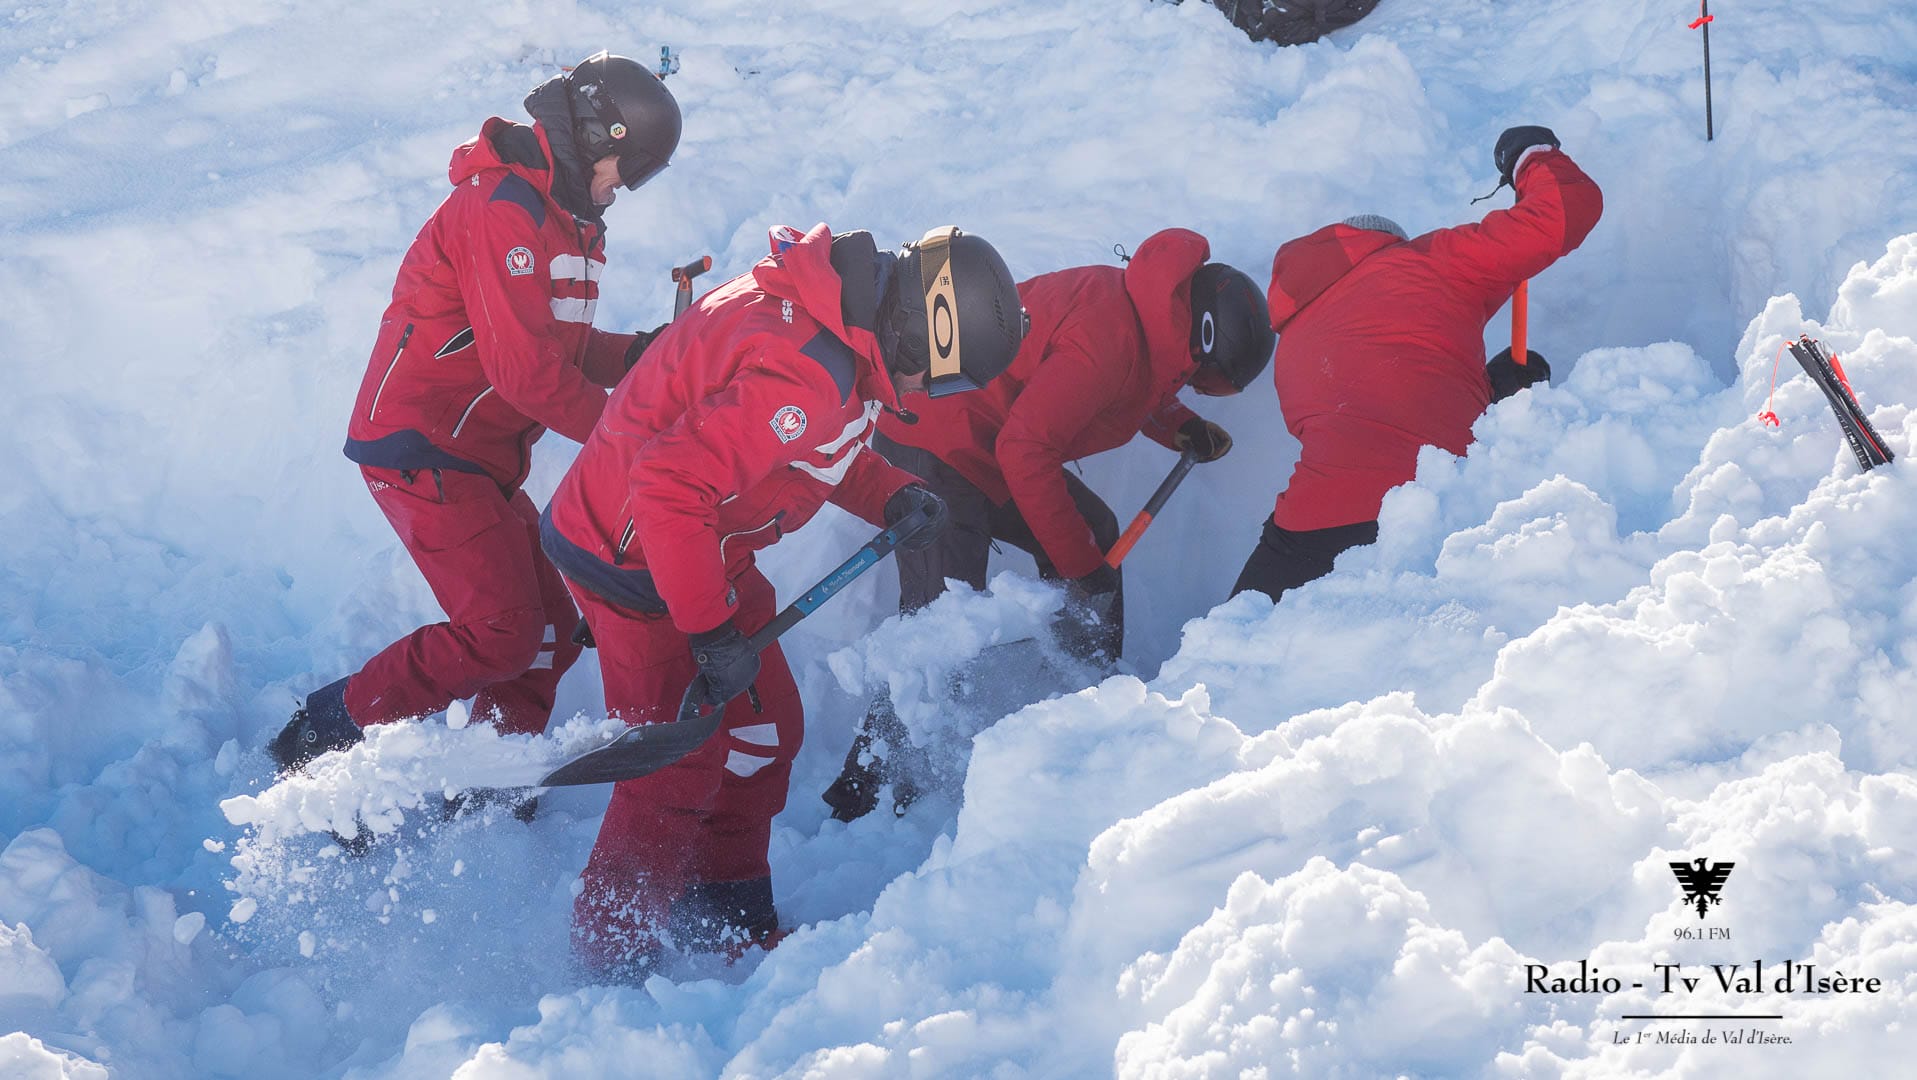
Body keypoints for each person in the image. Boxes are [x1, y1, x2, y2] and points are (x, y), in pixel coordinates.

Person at [539, 222, 1026, 974]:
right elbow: (668, 484)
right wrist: (710, 633)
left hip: (705, 550)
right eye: (943, 375)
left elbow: (812, 449)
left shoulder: (841, 330)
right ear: (920, 330)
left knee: (764, 732)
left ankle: (721, 918)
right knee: (674, 764)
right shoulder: (810, 371)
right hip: (632, 561)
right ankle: (609, 956)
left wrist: (890, 492)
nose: (930, 393)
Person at [267, 53, 682, 776]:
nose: (622, 187)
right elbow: (526, 374)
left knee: (548, 633)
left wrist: (644, 355)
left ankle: (491, 772)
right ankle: (322, 733)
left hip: (477, 455)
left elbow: (559, 346)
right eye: (626, 167)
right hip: (422, 444)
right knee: (503, 629)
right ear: (596, 136)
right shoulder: (502, 210)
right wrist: (630, 439)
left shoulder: (566, 218)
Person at [819, 229, 1274, 822]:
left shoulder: (1153, 314)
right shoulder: (1111, 336)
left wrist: (1177, 425)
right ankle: (865, 788)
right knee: (938, 621)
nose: (1186, 381)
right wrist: (1080, 569)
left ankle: (1087, 699)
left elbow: (1133, 384)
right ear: (1205, 348)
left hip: (985, 440)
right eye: (1194, 378)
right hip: (931, 438)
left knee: (1096, 533)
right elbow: (1031, 446)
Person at [1232, 124, 1603, 603]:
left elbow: (1382, 408)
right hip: (1424, 508)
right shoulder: (1422, 262)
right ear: (1388, 243)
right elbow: (1564, 211)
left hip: (1307, 526)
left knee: (1237, 634)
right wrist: (1531, 157)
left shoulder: (1296, 338)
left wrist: (1489, 393)